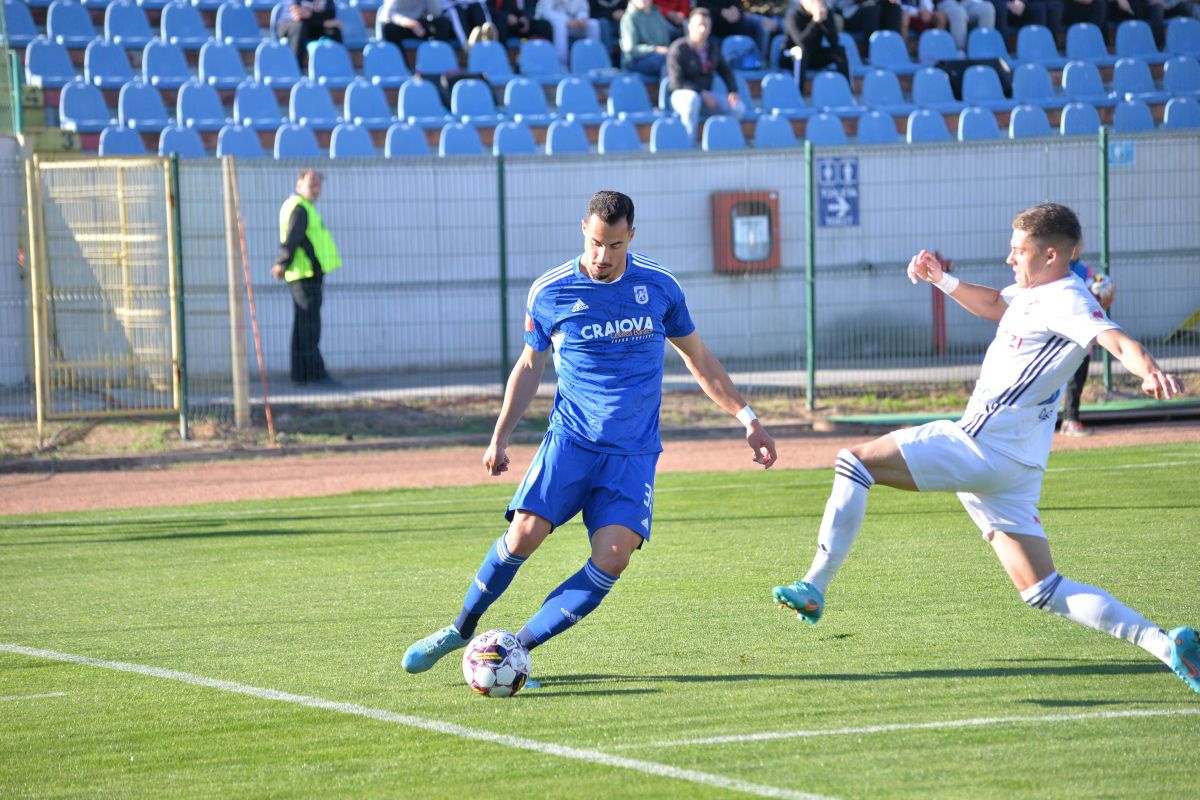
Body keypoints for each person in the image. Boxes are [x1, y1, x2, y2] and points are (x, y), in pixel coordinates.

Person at [770, 203, 1199, 695]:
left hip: (980, 444)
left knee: (855, 463)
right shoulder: (1035, 293)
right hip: (1016, 467)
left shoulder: (1067, 298)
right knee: (1043, 589)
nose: (1009, 257)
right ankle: (1167, 646)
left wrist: (1150, 371)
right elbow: (997, 303)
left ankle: (815, 586)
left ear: (1052, 254)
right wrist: (942, 279)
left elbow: (1115, 340)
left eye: (1019, 250)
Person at [403, 191, 778, 678]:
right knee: (523, 536)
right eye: (597, 242)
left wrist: (748, 418)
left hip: (633, 454)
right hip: (571, 443)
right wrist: (500, 436)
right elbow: (529, 366)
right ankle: (460, 629)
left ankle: (516, 647)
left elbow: (699, 360)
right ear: (584, 228)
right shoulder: (550, 291)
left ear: (631, 237)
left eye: (615, 245)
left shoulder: (660, 287)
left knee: (614, 557)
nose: (603, 256)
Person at [273, 170, 342, 387]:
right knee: (310, 326)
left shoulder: (303, 208)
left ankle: (300, 375)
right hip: (305, 274)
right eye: (311, 182)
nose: (316, 187)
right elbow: (293, 238)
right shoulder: (300, 209)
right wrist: (282, 263)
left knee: (302, 325)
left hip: (304, 274)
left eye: (318, 183)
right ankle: (315, 374)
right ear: (299, 184)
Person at [668, 8, 748, 143]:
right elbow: (676, 83)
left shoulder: (712, 47)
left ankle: (722, 143)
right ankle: (689, 145)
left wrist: (732, 91)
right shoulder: (678, 48)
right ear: (690, 26)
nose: (702, 29)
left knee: (738, 108)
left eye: (706, 25)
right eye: (699, 25)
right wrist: (701, 92)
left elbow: (725, 70)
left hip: (706, 96)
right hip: (682, 95)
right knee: (692, 99)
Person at [1059, 255, 1114, 436]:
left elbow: (1098, 301)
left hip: (1084, 340)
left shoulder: (1083, 269)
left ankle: (1071, 420)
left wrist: (1101, 293)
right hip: (1068, 340)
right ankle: (1069, 420)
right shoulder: (1063, 269)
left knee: (1078, 381)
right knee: (1070, 382)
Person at [780, 0, 850, 90]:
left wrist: (825, 20)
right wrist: (815, 21)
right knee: (801, 52)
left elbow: (834, 41)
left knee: (839, 51)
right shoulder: (793, 15)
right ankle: (798, 93)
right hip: (791, 56)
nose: (817, 3)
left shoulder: (825, 13)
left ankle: (847, 90)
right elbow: (802, 43)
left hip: (812, 56)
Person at [276, 0, 343, 69]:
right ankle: (295, 69)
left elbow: (331, 15)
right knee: (300, 27)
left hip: (312, 26)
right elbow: (297, 15)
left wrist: (310, 15)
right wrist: (323, 22)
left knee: (334, 30)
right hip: (289, 24)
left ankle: (339, 68)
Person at [698, 0, 778, 58]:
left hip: (734, 23)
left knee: (756, 25)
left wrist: (736, 10)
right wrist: (721, 12)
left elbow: (738, 5)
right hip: (714, 25)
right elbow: (702, 8)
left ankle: (758, 60)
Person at [537, 0, 603, 66]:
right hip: (550, 23)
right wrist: (567, 20)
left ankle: (593, 60)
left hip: (573, 24)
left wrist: (581, 19)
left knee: (593, 24)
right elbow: (547, 12)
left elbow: (583, 9)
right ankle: (561, 64)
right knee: (560, 26)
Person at [620, 0, 675, 78]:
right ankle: (670, 89)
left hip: (660, 56)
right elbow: (631, 50)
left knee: (677, 57)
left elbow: (665, 42)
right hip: (636, 61)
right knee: (666, 61)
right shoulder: (629, 18)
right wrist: (654, 49)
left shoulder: (657, 15)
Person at [379, 0, 457, 48]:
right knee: (389, 29)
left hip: (418, 25)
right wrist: (409, 23)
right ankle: (402, 66)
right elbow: (388, 15)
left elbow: (436, 13)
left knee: (443, 23)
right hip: (400, 25)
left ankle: (433, 56)